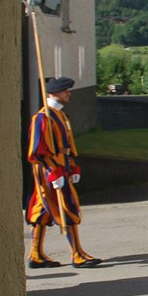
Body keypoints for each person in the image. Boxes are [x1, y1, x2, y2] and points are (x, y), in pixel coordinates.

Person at [25, 76, 101, 268]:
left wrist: (72, 166)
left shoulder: (61, 116)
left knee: (42, 210)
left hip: (61, 167)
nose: (68, 94)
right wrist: (54, 172)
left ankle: (36, 254)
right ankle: (77, 254)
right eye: (64, 90)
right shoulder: (42, 117)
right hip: (50, 170)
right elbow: (38, 151)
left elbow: (66, 146)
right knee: (67, 207)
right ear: (52, 93)